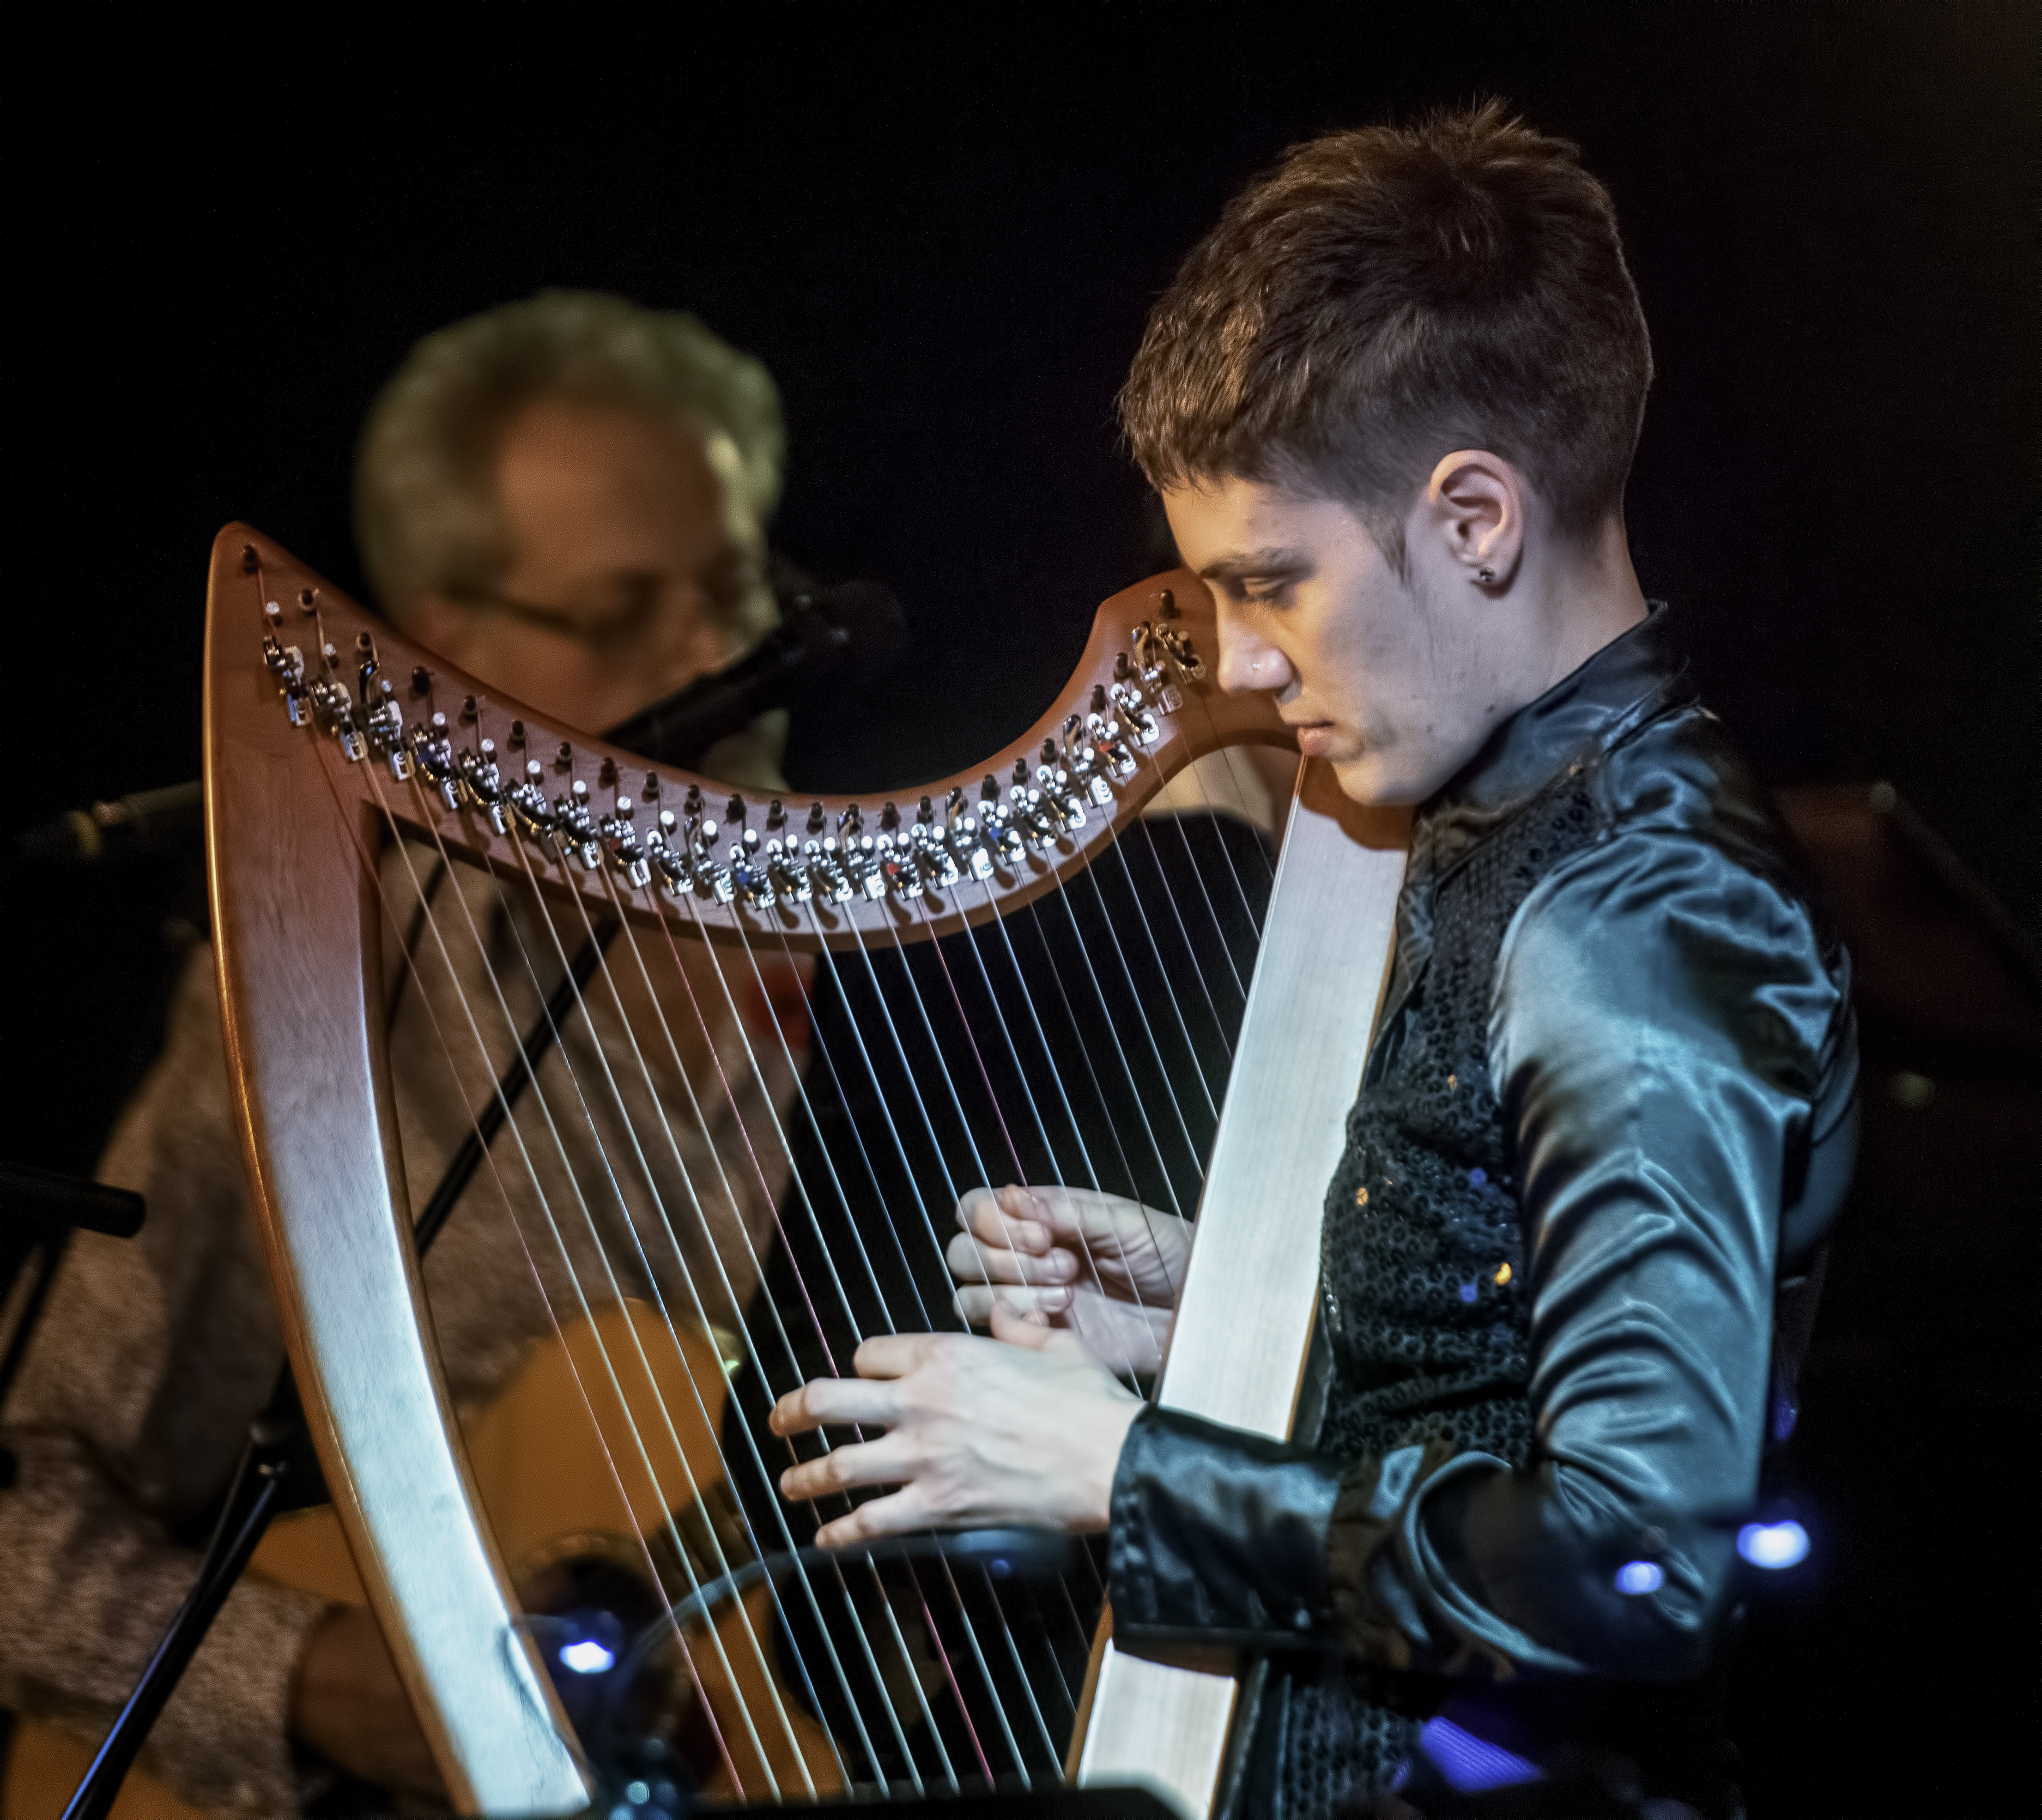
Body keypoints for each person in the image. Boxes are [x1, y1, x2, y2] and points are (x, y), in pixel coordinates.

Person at [769, 104, 1858, 1818]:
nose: (1251, 671)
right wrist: (1237, 1308)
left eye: (1272, 585)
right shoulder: (1513, 817)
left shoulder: (1639, 909)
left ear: (1477, 517)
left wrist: (1122, 1477)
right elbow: (1513, 1360)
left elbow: (1642, 1566)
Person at [0, 292, 812, 1816]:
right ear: (444, 653)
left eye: (740, 582)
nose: (724, 650)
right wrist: (318, 1685)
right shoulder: (347, 980)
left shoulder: (920, 980)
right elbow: (19, 1513)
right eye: (629, 608)